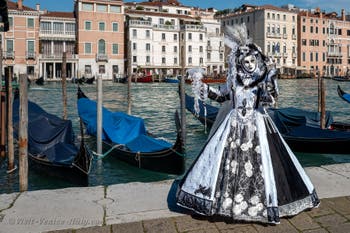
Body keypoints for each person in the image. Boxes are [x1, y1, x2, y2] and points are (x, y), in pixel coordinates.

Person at [176, 24, 319, 224]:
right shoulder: (233, 83)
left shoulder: (261, 83)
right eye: (246, 61)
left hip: (258, 127)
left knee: (266, 167)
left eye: (253, 60)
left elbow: (269, 100)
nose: (250, 64)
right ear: (239, 63)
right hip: (232, 127)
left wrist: (271, 82)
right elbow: (219, 97)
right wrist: (201, 84)